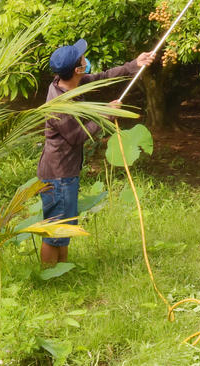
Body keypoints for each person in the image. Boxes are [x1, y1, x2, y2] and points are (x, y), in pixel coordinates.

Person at [37, 38, 155, 267]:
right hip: (58, 175)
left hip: (64, 172)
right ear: (78, 69)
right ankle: (49, 277)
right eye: (82, 59)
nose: (85, 59)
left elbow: (100, 78)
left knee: (64, 228)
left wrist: (134, 64)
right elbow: (77, 136)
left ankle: (60, 274)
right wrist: (106, 114)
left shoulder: (68, 82)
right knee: (55, 233)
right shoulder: (60, 104)